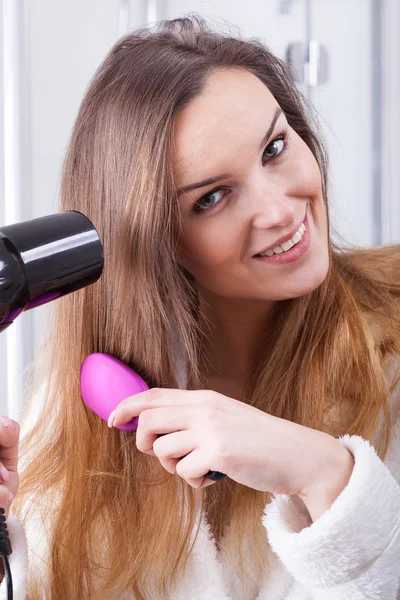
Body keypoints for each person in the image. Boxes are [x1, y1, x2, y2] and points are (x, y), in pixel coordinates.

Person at [0, 14, 399, 600]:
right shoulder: (62, 438)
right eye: (212, 197)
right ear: (152, 240)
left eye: (275, 147)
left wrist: (326, 476)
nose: (281, 210)